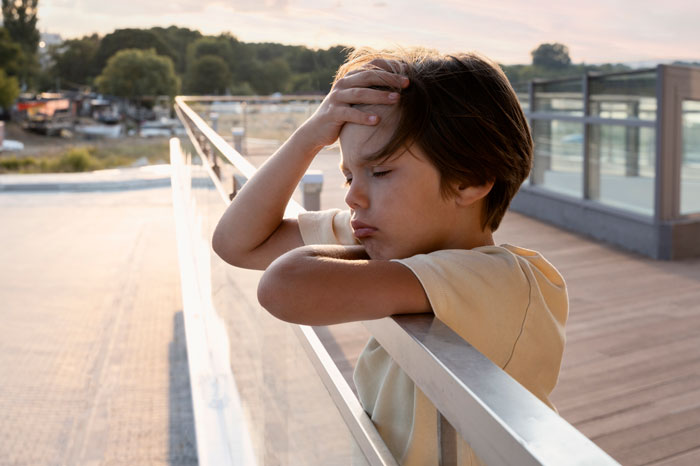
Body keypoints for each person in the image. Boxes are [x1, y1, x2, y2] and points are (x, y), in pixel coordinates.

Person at [212, 48, 568, 465]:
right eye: (349, 174)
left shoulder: (507, 279)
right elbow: (237, 243)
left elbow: (282, 285)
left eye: (380, 172)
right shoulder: (392, 237)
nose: (352, 196)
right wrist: (311, 134)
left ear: (470, 179)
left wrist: (368, 254)